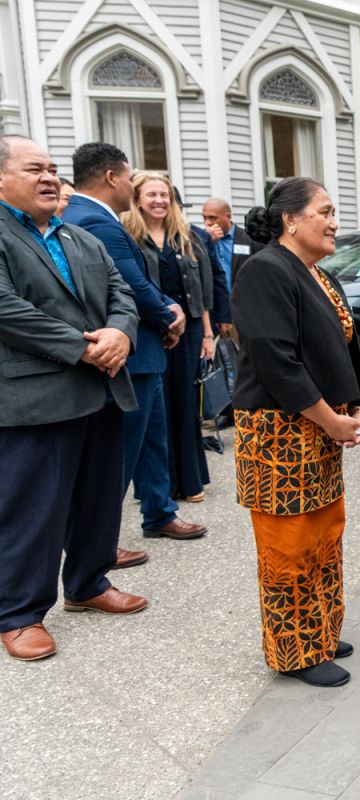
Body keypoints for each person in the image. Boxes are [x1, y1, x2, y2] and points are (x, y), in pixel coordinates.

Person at [0, 135, 148, 662]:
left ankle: (88, 583)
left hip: (102, 389)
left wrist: (122, 334)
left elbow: (121, 294)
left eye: (52, 168)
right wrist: (83, 348)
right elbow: (6, 308)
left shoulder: (79, 236)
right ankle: (19, 614)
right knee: (33, 509)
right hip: (35, 398)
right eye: (33, 168)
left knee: (99, 497)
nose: (48, 177)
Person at [233, 177, 360, 687]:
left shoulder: (317, 272)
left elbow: (341, 346)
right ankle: (295, 652)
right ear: (291, 219)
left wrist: (354, 404)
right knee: (288, 545)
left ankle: (320, 630)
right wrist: (330, 418)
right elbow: (277, 361)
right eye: (325, 211)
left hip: (317, 425)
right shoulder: (264, 271)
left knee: (324, 534)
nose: (335, 222)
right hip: (278, 432)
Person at [64, 143, 205, 551]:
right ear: (112, 177)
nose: (131, 183)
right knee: (119, 452)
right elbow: (128, 286)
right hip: (129, 354)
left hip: (145, 352)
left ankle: (159, 513)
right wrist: (169, 313)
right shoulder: (99, 223)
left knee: (150, 441)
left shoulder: (88, 217)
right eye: (129, 176)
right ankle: (97, 544)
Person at [123, 172, 216, 503]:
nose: (159, 200)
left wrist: (208, 333)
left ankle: (190, 481)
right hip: (149, 330)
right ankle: (157, 484)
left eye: (164, 194)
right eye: (151, 195)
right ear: (137, 199)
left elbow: (204, 290)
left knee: (185, 403)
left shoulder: (188, 236)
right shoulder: (128, 236)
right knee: (154, 409)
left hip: (188, 330)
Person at [201, 197, 263, 306]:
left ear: (228, 216)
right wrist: (207, 241)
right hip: (215, 308)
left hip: (244, 306)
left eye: (212, 218)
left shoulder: (249, 239)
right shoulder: (199, 240)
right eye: (204, 218)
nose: (207, 223)